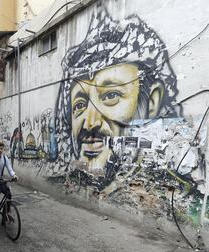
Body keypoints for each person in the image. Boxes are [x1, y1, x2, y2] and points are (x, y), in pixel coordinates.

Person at [54, 8, 179, 190]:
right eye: (80, 104)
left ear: (152, 102)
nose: (90, 123)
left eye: (111, 95)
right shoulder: (60, 185)